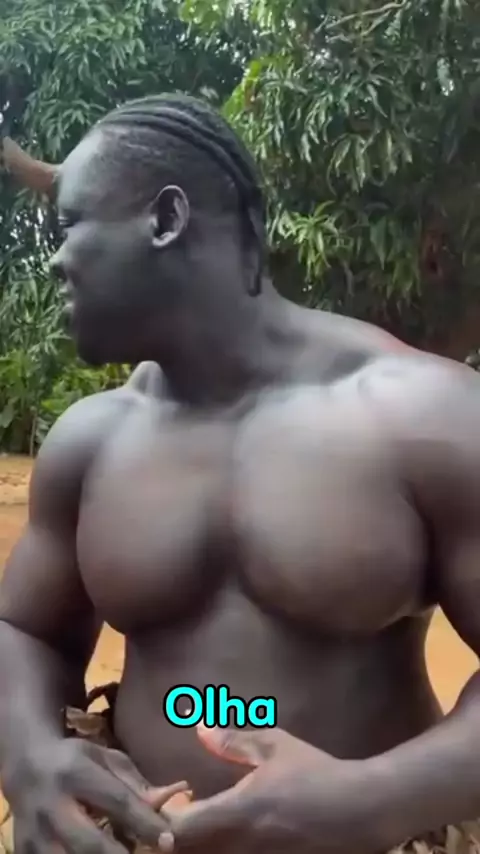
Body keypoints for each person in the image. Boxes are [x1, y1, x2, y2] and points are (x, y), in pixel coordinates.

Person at [1, 93, 480, 854]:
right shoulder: (91, 441)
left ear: (166, 219)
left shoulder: (421, 416)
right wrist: (30, 757)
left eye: (70, 227)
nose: (55, 261)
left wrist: (372, 801)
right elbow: (25, 630)